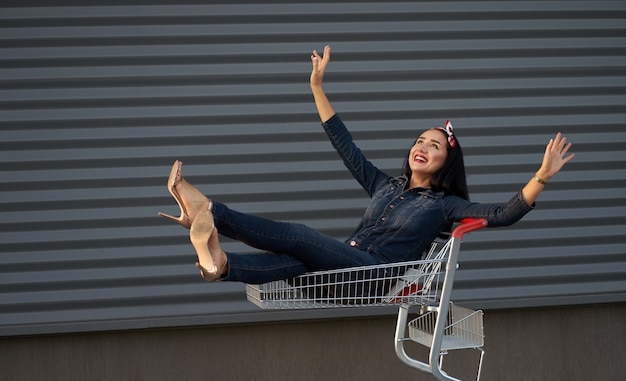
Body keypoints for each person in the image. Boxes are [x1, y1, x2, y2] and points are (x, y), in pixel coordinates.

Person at [158, 45, 575, 284]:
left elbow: (503, 214)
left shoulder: (443, 205)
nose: (423, 146)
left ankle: (212, 212)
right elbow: (346, 146)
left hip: (373, 274)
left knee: (298, 236)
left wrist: (541, 175)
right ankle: (218, 264)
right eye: (419, 141)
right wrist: (318, 87)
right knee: (292, 264)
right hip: (345, 266)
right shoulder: (384, 185)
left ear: (447, 161)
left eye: (434, 145)